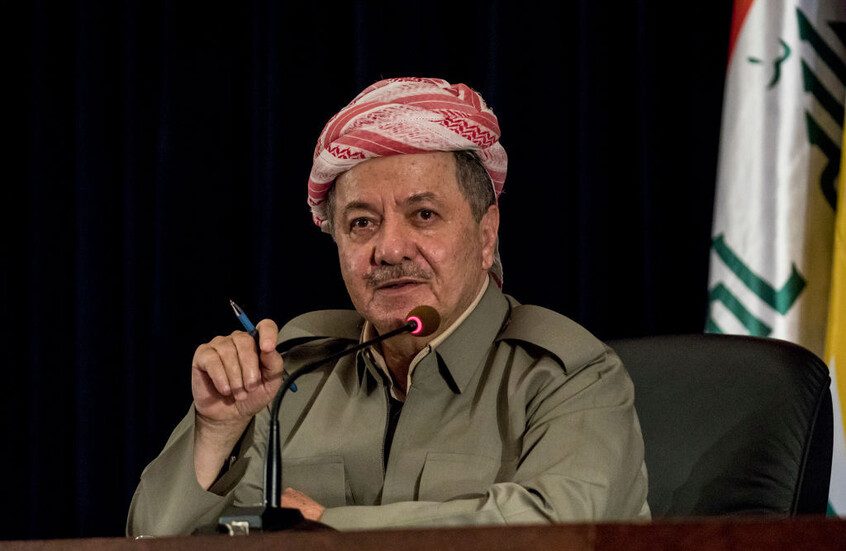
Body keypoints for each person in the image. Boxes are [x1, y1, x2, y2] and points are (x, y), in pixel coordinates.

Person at [127, 77, 650, 536]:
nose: (390, 249)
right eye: (362, 223)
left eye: (423, 215)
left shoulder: (570, 375)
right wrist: (216, 432)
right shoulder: (292, 373)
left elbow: (560, 530)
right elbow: (154, 540)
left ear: (486, 234)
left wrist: (325, 530)